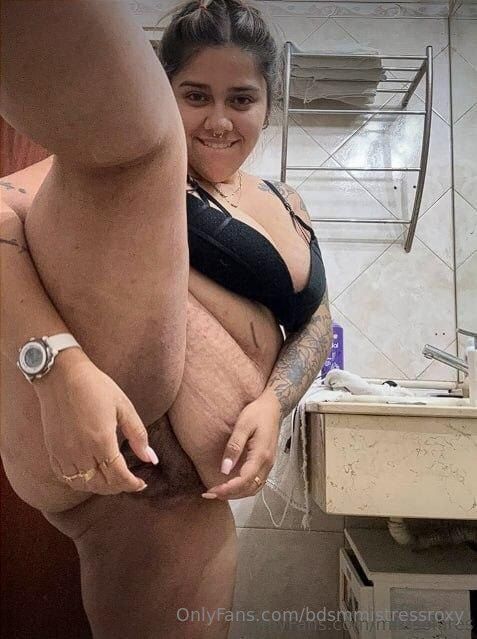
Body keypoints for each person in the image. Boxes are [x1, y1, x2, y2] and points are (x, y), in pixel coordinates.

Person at [0, 1, 332, 637]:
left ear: (268, 105)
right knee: (142, 153)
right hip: (119, 475)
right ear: (167, 89)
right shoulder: (143, 172)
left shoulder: (285, 201)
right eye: (195, 95)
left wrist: (273, 403)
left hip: (189, 509)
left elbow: (315, 322)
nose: (219, 120)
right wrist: (59, 368)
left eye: (241, 99)